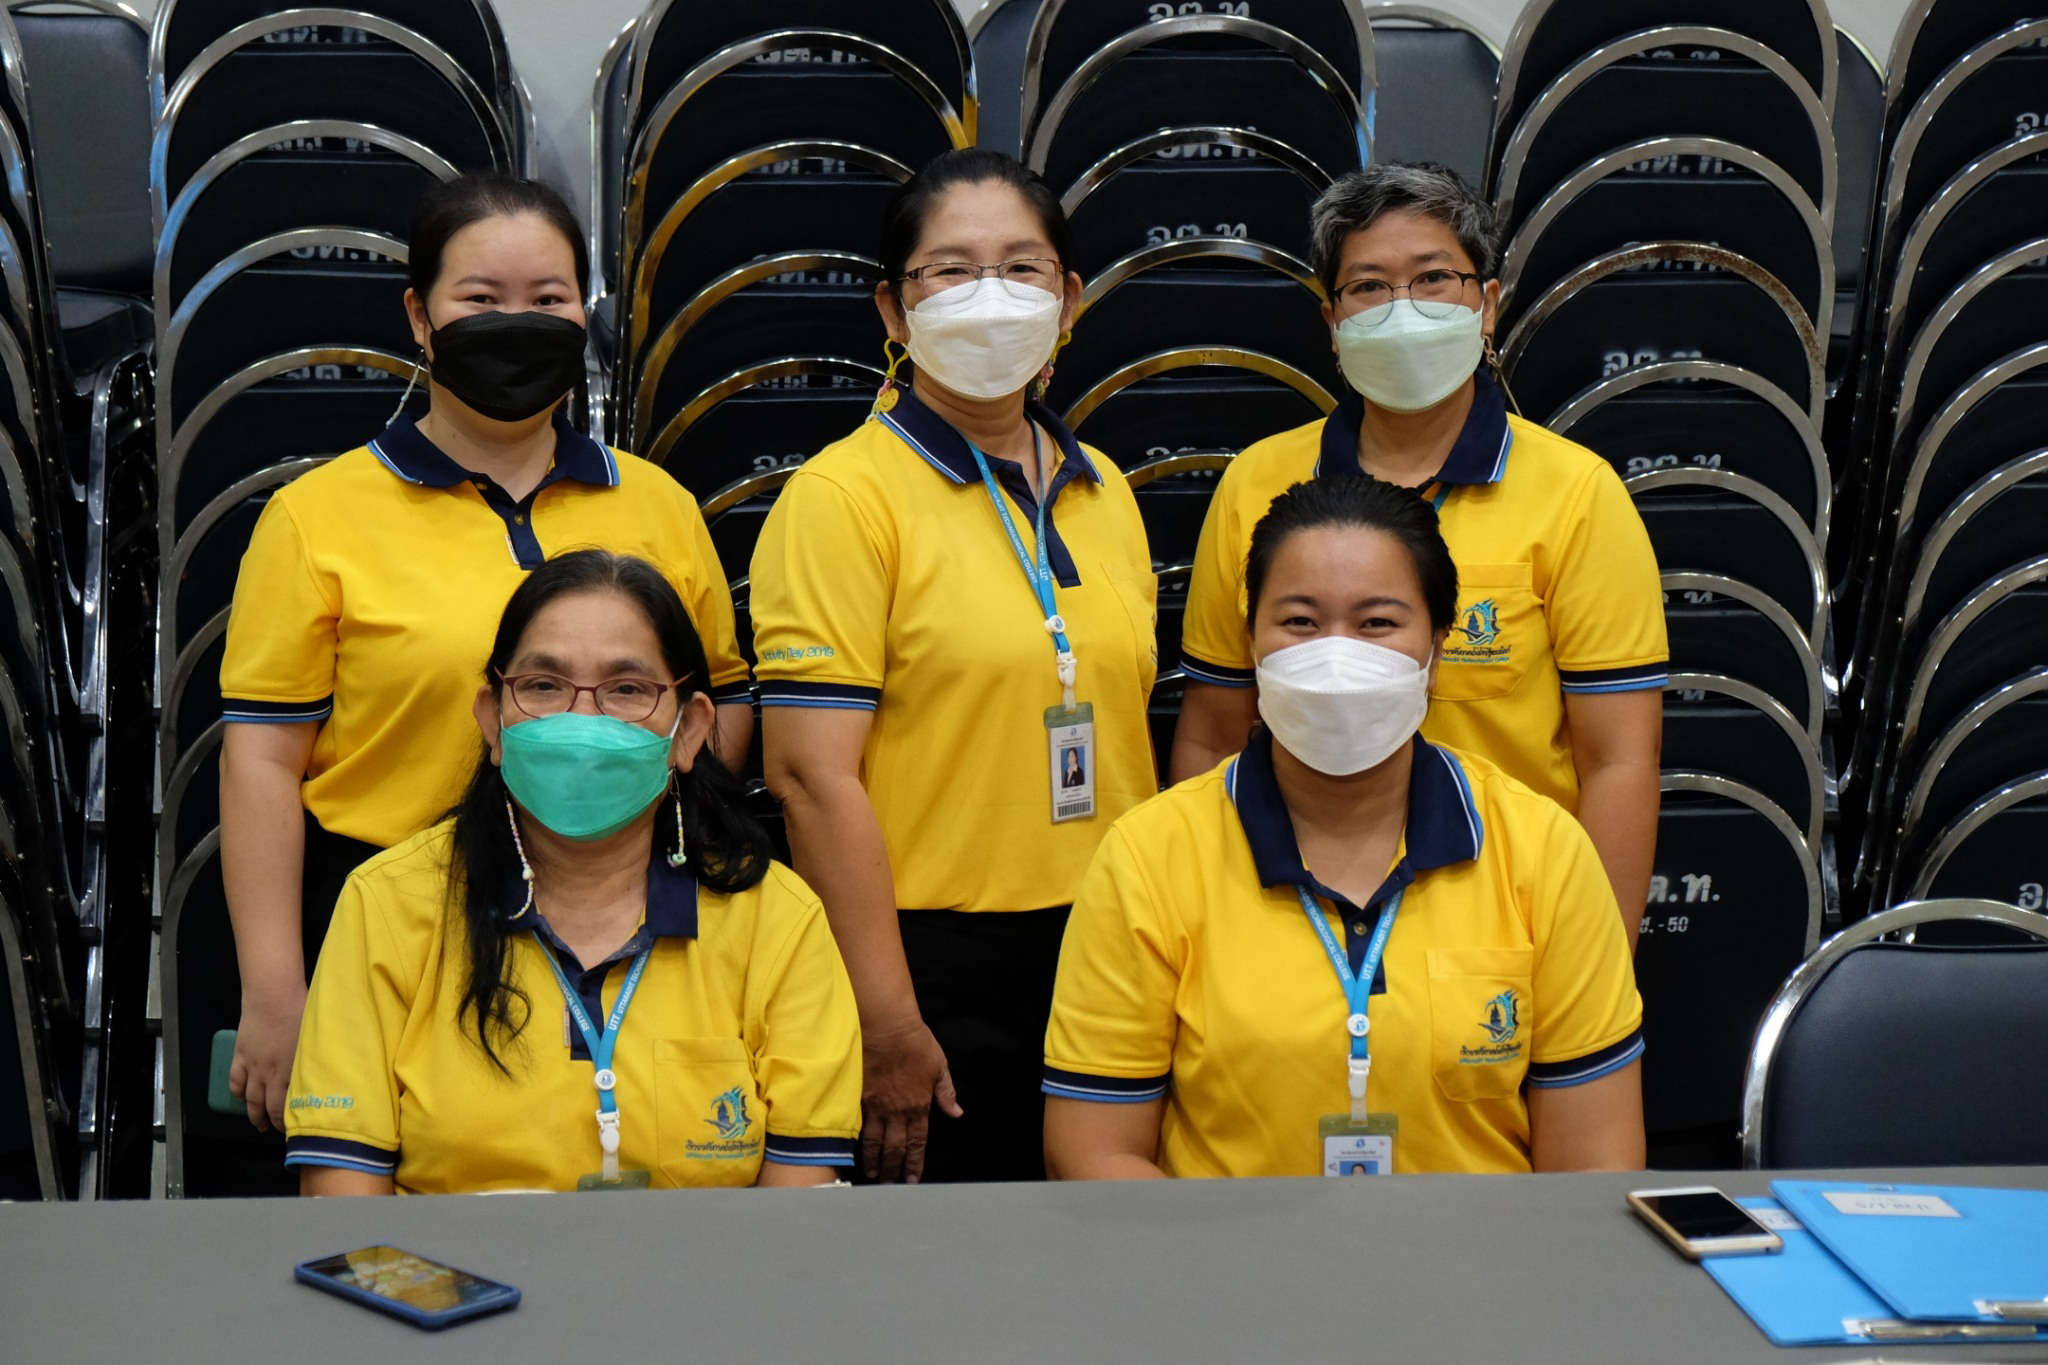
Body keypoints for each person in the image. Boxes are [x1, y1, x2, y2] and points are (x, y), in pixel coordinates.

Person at [218, 174, 753, 1134]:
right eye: (480, 299)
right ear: (421, 317)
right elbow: (261, 759)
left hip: (621, 911)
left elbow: (722, 702)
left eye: (548, 299)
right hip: (389, 914)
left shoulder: (660, 505)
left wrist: (661, 841)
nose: (517, 322)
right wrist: (274, 987)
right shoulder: (314, 518)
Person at [751, 149, 1158, 1184]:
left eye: (1021, 268)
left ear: (1069, 300)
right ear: (894, 311)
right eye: (949, 270)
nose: (990, 295)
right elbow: (807, 776)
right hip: (931, 962)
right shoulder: (842, 498)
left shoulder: (1102, 485)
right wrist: (887, 1017)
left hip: (1111, 945)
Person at [1046, 478, 1645, 1180]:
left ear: (1437, 645)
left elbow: (1594, 1164)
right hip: (1228, 1277)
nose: (1336, 657)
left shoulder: (1544, 851)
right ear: (1251, 643)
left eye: (1377, 624)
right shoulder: (1148, 855)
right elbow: (1093, 1152)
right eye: (1299, 622)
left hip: (1478, 1277)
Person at [1170, 163, 1665, 946]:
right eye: (1368, 287)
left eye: (1434, 278)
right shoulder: (1256, 485)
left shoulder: (1578, 495)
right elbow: (1212, 731)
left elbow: (1619, 762)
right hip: (1283, 919)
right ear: (1332, 320)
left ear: (1488, 305)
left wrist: (1592, 962)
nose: (1403, 308)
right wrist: (1202, 919)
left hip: (1507, 918)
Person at [283, 550, 860, 1194]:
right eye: (543, 686)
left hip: (702, 1289)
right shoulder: (385, 904)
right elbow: (343, 1207)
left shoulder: (777, 919)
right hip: (455, 1291)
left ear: (691, 731)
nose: (582, 723)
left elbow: (799, 1218)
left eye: (628, 690)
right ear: (492, 721)